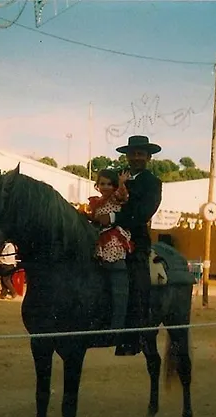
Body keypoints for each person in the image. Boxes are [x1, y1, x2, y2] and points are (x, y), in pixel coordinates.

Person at [93, 135, 162, 356]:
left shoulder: (152, 183)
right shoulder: (118, 176)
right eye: (132, 153)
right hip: (104, 234)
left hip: (134, 239)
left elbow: (143, 213)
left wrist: (113, 218)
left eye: (140, 154)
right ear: (127, 156)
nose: (136, 157)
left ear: (148, 157)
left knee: (137, 280)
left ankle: (135, 335)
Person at [86, 168, 133, 344]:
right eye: (102, 183)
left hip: (114, 240)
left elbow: (123, 196)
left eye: (109, 184)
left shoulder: (115, 197)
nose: (105, 187)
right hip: (99, 242)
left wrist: (121, 183)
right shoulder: (96, 203)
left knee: (117, 286)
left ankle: (117, 328)